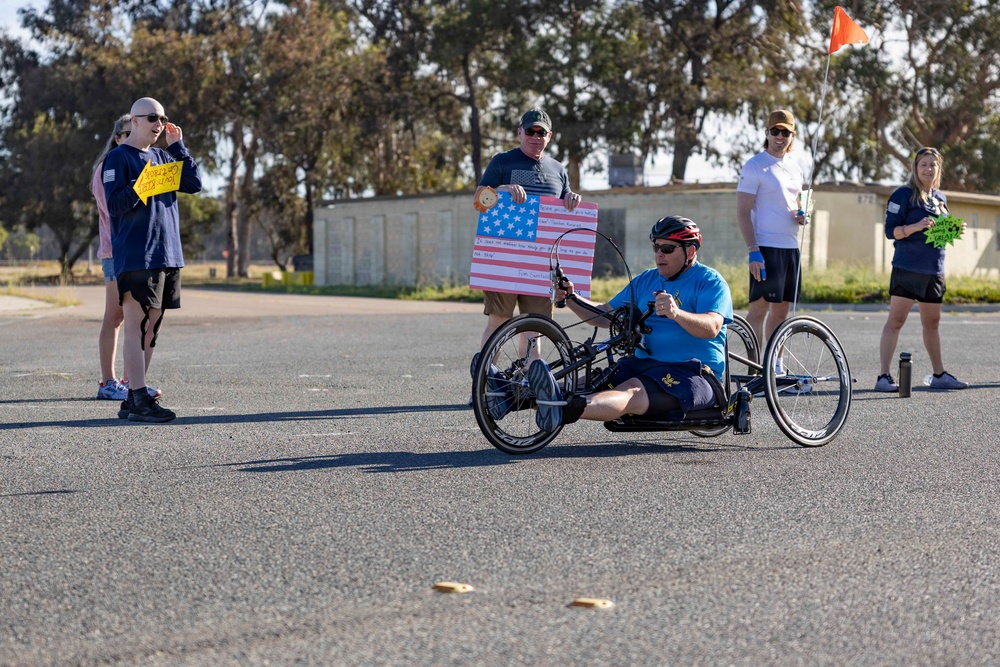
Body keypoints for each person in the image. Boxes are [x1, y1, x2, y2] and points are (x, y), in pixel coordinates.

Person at [522, 216, 733, 432]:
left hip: (691, 372)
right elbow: (604, 315)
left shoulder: (710, 281)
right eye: (656, 247)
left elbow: (712, 327)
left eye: (668, 248)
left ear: (690, 251)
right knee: (584, 382)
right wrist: (571, 298)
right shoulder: (646, 280)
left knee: (631, 390)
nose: (659, 254)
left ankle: (563, 409)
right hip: (643, 365)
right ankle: (510, 395)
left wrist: (676, 313)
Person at [103, 97, 203, 422]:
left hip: (166, 252)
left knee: (152, 327)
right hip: (136, 254)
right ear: (134, 121)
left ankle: (135, 396)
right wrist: (141, 186)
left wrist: (179, 148)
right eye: (151, 118)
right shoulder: (118, 158)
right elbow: (115, 204)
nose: (158, 124)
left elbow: (194, 183)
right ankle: (139, 399)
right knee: (136, 323)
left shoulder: (163, 155)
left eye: (162, 118)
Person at [472, 108, 582, 349]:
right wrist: (502, 190)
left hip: (541, 263)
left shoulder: (559, 170)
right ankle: (487, 380)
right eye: (530, 131)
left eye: (540, 132)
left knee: (536, 328)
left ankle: (529, 382)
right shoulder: (502, 161)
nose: (535, 136)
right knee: (499, 322)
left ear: (549, 136)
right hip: (504, 259)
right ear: (519, 133)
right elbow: (479, 200)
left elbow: (565, 209)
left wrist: (572, 198)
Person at [875, 147, 968, 391]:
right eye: (923, 164)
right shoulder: (903, 195)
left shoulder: (940, 198)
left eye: (933, 165)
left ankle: (939, 375)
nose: (928, 169)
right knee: (896, 321)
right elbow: (889, 231)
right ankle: (883, 377)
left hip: (933, 271)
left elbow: (938, 235)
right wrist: (914, 226)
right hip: (907, 268)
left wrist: (953, 230)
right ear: (915, 168)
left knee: (933, 323)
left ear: (939, 169)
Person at [91, 114, 160, 401]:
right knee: (116, 316)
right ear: (118, 138)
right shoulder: (109, 166)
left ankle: (133, 381)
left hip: (139, 252)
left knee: (138, 317)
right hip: (115, 251)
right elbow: (116, 208)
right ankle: (108, 382)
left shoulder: (146, 161)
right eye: (126, 132)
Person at [736, 109, 807, 374]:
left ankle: (774, 365)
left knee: (781, 312)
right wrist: (753, 250)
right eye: (774, 131)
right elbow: (742, 211)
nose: (779, 137)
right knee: (758, 311)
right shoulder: (755, 165)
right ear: (766, 133)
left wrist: (801, 216)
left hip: (790, 248)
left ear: (792, 136)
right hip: (764, 248)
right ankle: (754, 367)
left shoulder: (795, 167)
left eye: (785, 132)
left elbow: (795, 205)